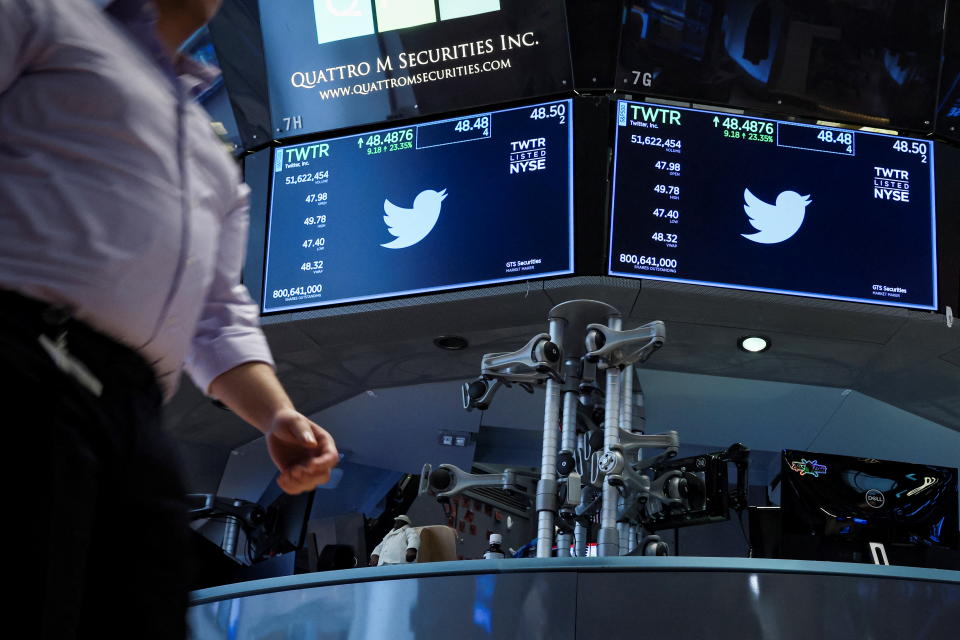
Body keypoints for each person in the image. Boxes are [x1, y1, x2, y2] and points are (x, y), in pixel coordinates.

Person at [0, 0, 338, 637]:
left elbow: (217, 310)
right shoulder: (41, 16)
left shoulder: (207, 146)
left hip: (129, 411)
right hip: (23, 357)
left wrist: (276, 414)